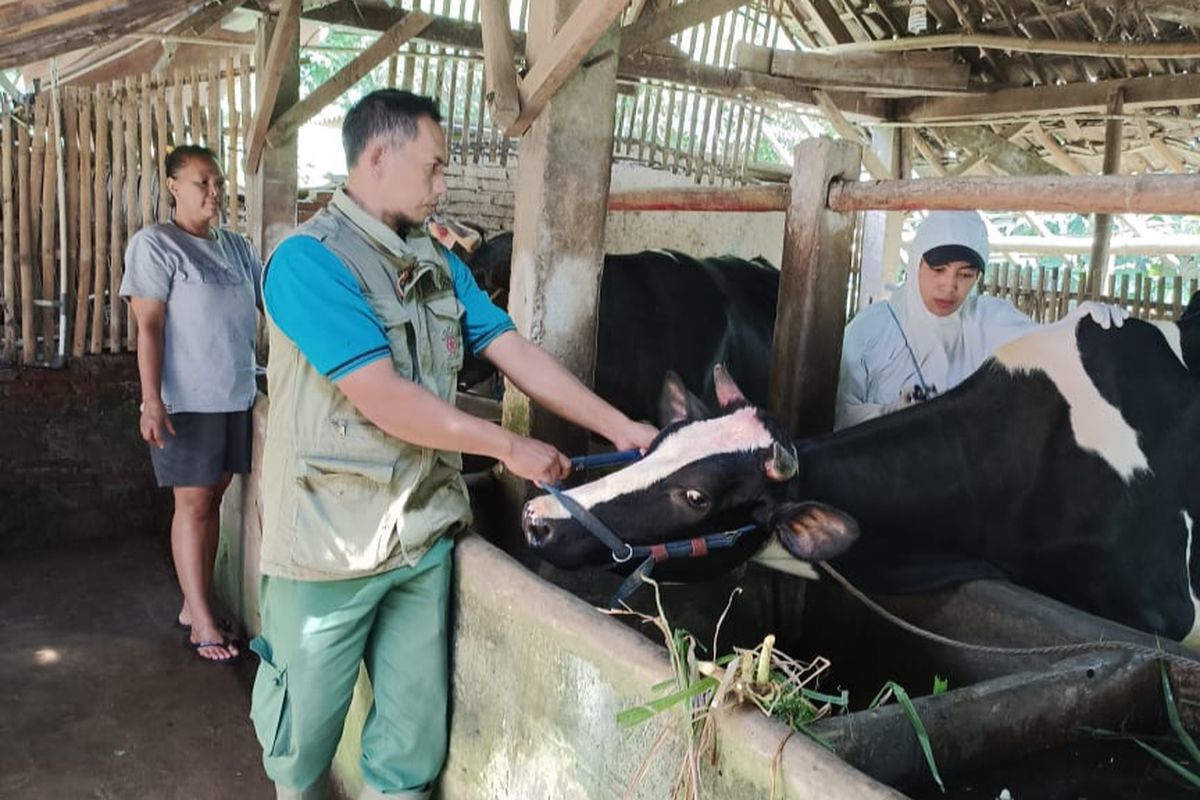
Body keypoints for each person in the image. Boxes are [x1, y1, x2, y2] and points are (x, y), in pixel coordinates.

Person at [249, 89, 657, 800]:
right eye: (434, 169)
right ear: (378, 157)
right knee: (301, 747)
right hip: (326, 549)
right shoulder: (308, 265)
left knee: (410, 750)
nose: (444, 188)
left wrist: (619, 426)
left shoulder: (434, 262)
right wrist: (507, 445)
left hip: (422, 539)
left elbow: (511, 350)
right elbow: (382, 397)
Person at [120, 144, 262, 663]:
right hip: (187, 401)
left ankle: (192, 604)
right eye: (201, 182)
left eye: (218, 182)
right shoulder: (157, 246)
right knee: (193, 504)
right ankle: (202, 621)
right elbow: (150, 327)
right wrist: (150, 400)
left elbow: (272, 301)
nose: (214, 192)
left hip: (235, 395)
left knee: (213, 501)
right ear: (173, 186)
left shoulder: (238, 247)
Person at [835, 210, 1128, 430]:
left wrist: (1078, 326)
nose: (950, 286)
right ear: (915, 263)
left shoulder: (984, 321)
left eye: (965, 274)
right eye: (938, 269)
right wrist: (891, 413)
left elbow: (1042, 342)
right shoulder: (870, 331)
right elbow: (835, 416)